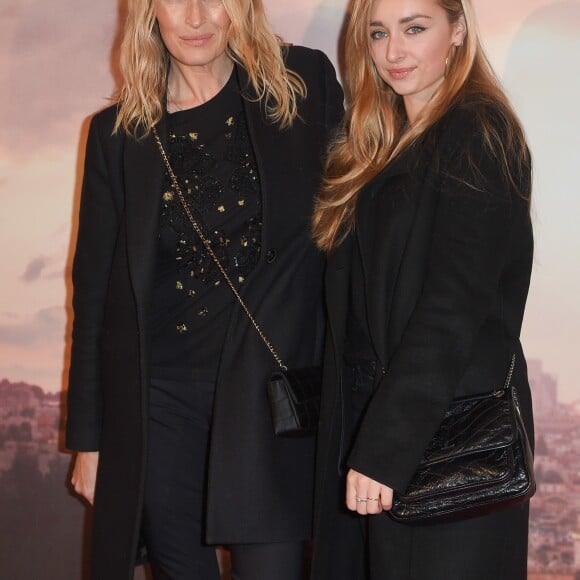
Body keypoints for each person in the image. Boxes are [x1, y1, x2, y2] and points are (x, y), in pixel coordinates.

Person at [66, 0, 343, 578]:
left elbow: (352, 230)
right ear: (147, 11)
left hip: (267, 404)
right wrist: (90, 442)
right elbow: (93, 297)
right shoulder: (116, 137)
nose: (195, 17)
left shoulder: (304, 87)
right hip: (161, 408)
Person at [310, 0, 534, 578]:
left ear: (458, 29)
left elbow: (451, 312)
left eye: (416, 28)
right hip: (374, 436)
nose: (393, 52)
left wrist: (384, 449)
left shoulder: (479, 132)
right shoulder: (374, 144)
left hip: (445, 447)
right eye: (379, 33)